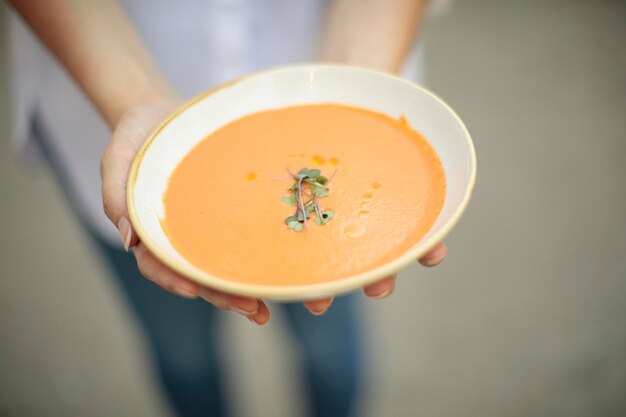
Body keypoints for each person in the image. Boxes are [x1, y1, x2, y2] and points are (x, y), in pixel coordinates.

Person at [7, 1, 448, 416]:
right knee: (183, 354)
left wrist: (356, 89)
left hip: (345, 95)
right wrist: (134, 101)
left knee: (329, 346)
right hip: (108, 97)